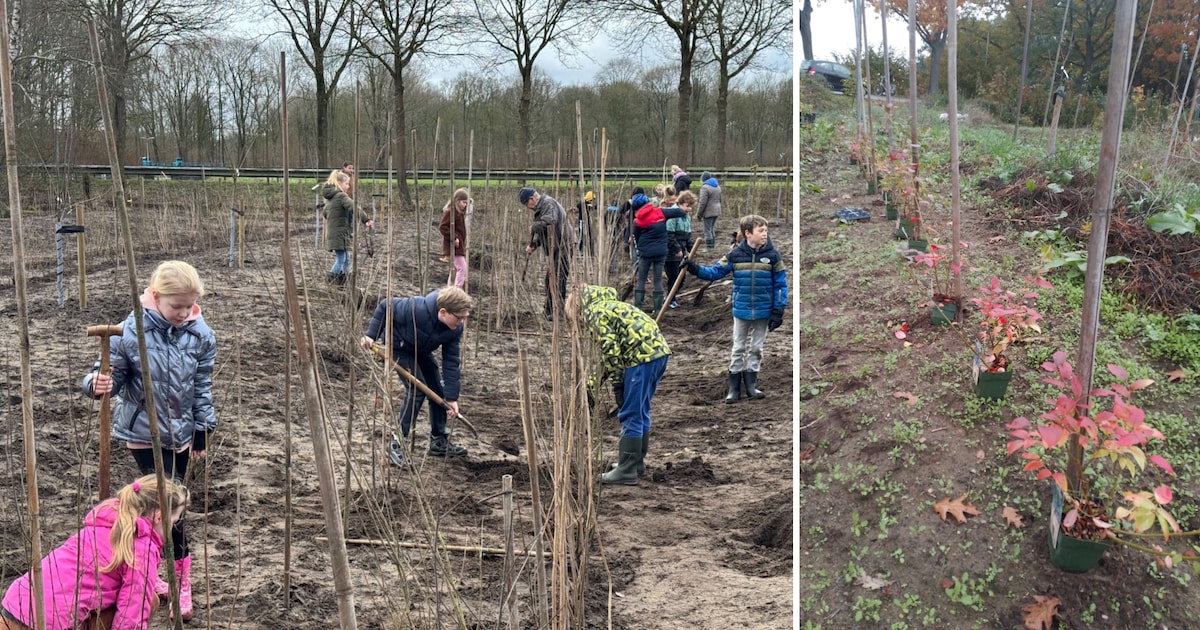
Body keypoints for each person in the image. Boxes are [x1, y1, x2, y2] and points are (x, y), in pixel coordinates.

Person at [81, 260, 216, 621]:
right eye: (177, 306)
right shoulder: (132, 331)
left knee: (170, 508)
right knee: (167, 509)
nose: (184, 313)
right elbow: (112, 373)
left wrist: (203, 427)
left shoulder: (200, 334)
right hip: (143, 432)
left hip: (183, 434)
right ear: (155, 297)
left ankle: (175, 578)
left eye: (190, 306)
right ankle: (169, 581)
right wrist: (96, 383)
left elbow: (202, 385)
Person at [1, 475, 189, 630]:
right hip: (48, 623)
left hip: (13, 604)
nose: (173, 527)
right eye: (174, 521)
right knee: (148, 602)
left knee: (152, 598)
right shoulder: (143, 549)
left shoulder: (101, 522)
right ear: (159, 517)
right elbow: (131, 615)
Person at [566, 284, 671, 485]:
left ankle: (626, 470)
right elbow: (610, 354)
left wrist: (617, 385)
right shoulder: (611, 305)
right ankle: (635, 463)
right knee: (641, 410)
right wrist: (591, 385)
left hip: (640, 359)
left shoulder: (594, 313)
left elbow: (611, 351)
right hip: (658, 354)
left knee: (630, 413)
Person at [360, 286, 474, 465]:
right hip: (398, 347)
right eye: (459, 318)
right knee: (417, 389)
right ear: (443, 312)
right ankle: (397, 443)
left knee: (438, 391)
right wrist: (370, 335)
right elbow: (385, 305)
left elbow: (451, 362)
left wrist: (452, 398)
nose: (461, 322)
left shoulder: (454, 330)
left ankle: (439, 440)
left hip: (421, 350)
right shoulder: (415, 309)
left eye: (464, 318)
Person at [686, 215, 788, 403]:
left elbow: (780, 284)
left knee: (757, 348)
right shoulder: (734, 256)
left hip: (764, 310)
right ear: (748, 233)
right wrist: (694, 268)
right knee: (738, 347)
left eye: (766, 230)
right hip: (741, 310)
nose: (765, 234)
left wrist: (778, 309)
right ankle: (734, 388)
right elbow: (715, 272)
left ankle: (751, 385)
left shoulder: (773, 256)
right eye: (761, 231)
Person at [630, 190, 687, 315]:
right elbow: (679, 212)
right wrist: (681, 206)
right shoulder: (660, 212)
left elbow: (637, 237)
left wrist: (641, 248)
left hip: (645, 253)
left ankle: (638, 308)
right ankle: (657, 310)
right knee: (657, 281)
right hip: (661, 252)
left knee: (641, 279)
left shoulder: (637, 221)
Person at [520, 187, 572, 321]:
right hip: (557, 247)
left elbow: (550, 221)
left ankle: (557, 312)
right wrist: (534, 245)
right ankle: (550, 309)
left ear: (532, 199)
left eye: (527, 204)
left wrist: (534, 226)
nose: (528, 207)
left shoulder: (548, 203)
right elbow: (546, 232)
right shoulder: (542, 207)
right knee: (550, 279)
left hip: (564, 246)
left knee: (557, 279)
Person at [321, 170, 373, 285]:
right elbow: (354, 207)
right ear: (339, 183)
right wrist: (366, 220)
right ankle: (331, 282)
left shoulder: (330, 198)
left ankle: (346, 281)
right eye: (346, 184)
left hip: (334, 233)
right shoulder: (341, 196)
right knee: (341, 259)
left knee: (346, 257)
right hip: (340, 234)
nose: (348, 186)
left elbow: (325, 214)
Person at [664, 190, 697, 309]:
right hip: (669, 252)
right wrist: (677, 250)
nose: (689, 209)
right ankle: (670, 299)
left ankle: (670, 297)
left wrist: (692, 249)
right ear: (680, 204)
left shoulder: (686, 217)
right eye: (687, 206)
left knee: (681, 278)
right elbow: (670, 235)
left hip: (680, 252)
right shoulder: (672, 215)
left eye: (690, 207)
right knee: (673, 277)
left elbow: (687, 236)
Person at [439, 188, 470, 288]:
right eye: (463, 202)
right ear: (457, 200)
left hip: (458, 246)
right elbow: (443, 227)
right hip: (454, 246)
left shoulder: (459, 213)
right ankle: (456, 290)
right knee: (462, 268)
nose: (465, 205)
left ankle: (449, 290)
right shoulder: (451, 212)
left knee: (455, 269)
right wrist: (454, 237)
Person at [697, 171, 723, 250]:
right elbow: (720, 199)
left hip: (708, 211)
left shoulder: (705, 187)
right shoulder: (717, 186)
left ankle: (709, 249)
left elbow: (702, 203)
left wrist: (699, 214)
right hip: (717, 210)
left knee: (707, 230)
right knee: (711, 229)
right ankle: (712, 247)